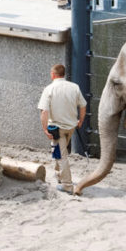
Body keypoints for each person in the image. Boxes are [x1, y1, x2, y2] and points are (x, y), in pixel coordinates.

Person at [37, 63, 86, 194]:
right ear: (64, 74)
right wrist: (80, 120)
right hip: (70, 127)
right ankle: (59, 175)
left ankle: (67, 185)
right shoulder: (74, 87)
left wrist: (45, 129)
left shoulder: (49, 89)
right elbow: (83, 105)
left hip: (56, 128)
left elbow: (44, 112)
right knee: (59, 152)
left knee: (61, 156)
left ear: (53, 74)